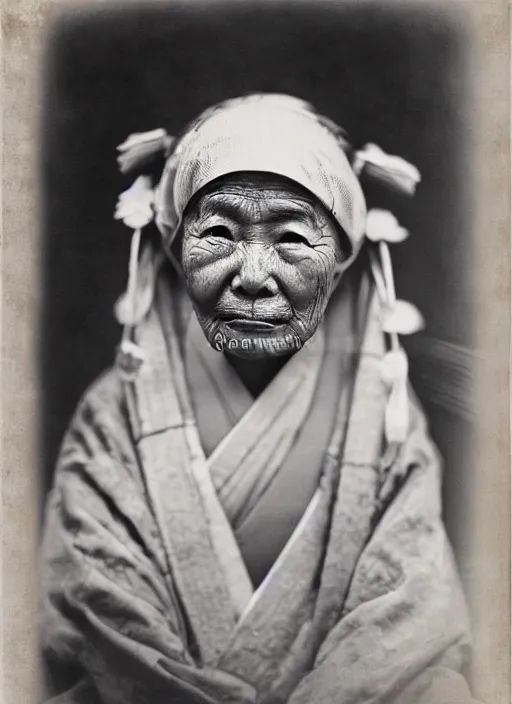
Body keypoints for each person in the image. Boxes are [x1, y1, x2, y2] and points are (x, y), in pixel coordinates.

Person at [40, 94, 477, 704]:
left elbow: (411, 617)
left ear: (344, 255)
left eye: (294, 238)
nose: (251, 273)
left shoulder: (383, 413)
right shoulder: (115, 414)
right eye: (217, 232)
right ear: (174, 245)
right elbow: (95, 611)